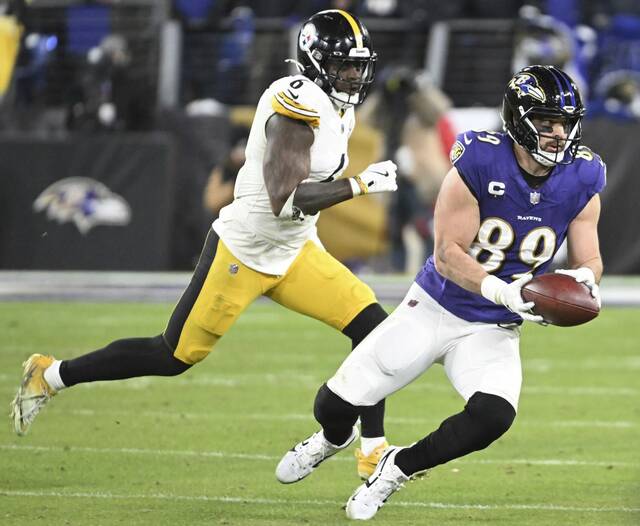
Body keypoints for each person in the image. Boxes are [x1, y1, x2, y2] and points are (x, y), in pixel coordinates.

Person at [10, 9, 398, 479]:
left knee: (376, 329)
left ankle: (371, 449)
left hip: (295, 250)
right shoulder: (295, 103)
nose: (354, 75)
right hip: (244, 251)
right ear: (315, 62)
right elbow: (286, 199)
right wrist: (360, 186)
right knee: (172, 355)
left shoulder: (341, 107)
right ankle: (50, 374)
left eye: (359, 65)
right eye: (344, 65)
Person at [276, 65, 605, 520]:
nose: (558, 134)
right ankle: (333, 438)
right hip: (435, 307)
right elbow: (449, 254)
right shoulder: (480, 160)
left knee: (494, 416)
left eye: (565, 123)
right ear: (518, 119)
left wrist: (585, 281)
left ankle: (397, 468)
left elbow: (589, 259)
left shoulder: (584, 176)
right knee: (332, 406)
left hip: (493, 328)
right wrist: (500, 290)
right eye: (546, 122)